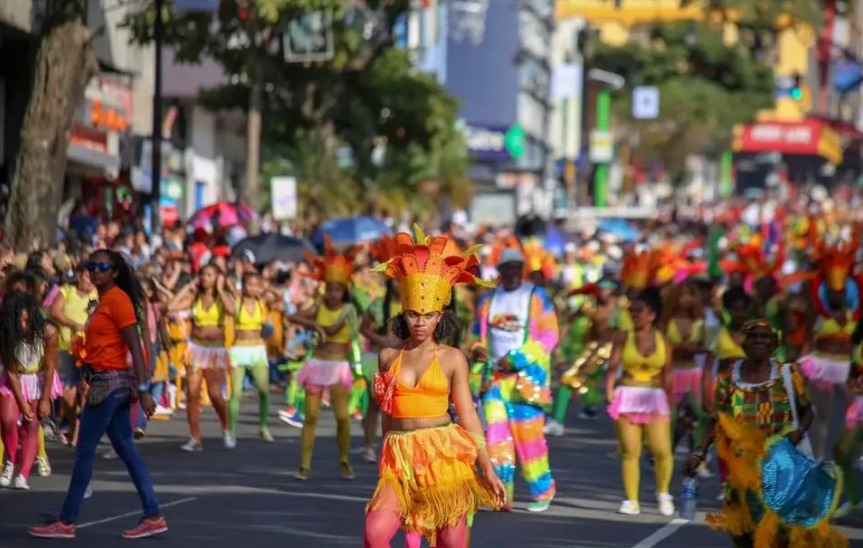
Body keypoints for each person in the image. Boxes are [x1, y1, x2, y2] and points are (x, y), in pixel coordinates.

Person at [364, 227, 505, 547]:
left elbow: (468, 416)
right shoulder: (388, 357)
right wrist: (385, 455)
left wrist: (488, 468)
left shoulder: (453, 358)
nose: (420, 322)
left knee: (451, 543)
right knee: (375, 534)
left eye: (428, 315)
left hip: (443, 456)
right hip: (400, 458)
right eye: (414, 314)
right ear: (405, 313)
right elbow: (386, 413)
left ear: (439, 317)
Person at [29, 249, 166, 539]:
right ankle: (153, 514)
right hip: (109, 383)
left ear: (114, 271)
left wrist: (144, 390)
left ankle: (66, 522)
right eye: (90, 266)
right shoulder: (105, 300)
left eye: (101, 266)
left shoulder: (118, 300)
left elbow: (136, 349)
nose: (94, 271)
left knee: (84, 451)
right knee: (126, 449)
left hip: (111, 385)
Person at [684, 319, 845, 547]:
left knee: (781, 531)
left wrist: (799, 431)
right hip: (743, 468)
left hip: (783, 465)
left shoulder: (787, 374)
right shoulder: (728, 379)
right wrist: (699, 453)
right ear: (743, 343)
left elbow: (807, 410)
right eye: (753, 336)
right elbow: (718, 420)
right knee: (743, 533)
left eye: (765, 337)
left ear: (773, 344)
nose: (759, 341)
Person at [471, 246, 558, 512]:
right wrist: (478, 350)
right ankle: (501, 493)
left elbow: (549, 336)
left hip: (525, 382)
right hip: (494, 380)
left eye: (516, 268)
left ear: (521, 270)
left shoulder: (537, 297)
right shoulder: (487, 301)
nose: (511, 273)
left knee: (528, 439)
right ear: (499, 271)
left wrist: (518, 358)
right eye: (506, 268)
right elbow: (477, 336)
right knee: (495, 438)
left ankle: (543, 491)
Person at [288, 237, 359, 480]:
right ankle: (304, 466)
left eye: (337, 289)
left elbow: (346, 332)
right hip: (317, 364)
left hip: (338, 367)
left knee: (342, 417)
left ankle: (344, 459)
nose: (333, 293)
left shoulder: (350, 311)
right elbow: (294, 318)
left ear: (344, 290)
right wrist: (314, 325)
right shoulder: (319, 306)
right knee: (311, 417)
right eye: (329, 288)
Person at [605, 286, 675, 516]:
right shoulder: (623, 336)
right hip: (627, 394)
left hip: (655, 397)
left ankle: (663, 493)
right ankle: (631, 499)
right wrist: (609, 389)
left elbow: (668, 373)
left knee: (662, 449)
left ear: (652, 314)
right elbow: (613, 365)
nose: (634, 315)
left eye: (639, 311)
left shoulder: (663, 340)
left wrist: (670, 399)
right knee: (630, 450)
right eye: (632, 311)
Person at [167, 264, 235, 451]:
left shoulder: (223, 298)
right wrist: (187, 288)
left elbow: (232, 311)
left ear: (217, 278)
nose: (205, 278)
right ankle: (195, 438)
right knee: (192, 394)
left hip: (215, 352)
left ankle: (227, 428)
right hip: (196, 349)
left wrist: (221, 289)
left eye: (210, 275)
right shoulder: (194, 296)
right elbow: (171, 306)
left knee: (214, 394)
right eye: (203, 274)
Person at [0, 291, 62, 490]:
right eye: (20, 321)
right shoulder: (6, 334)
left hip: (39, 380)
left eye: (27, 321)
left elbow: (50, 368)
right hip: (14, 379)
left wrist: (44, 400)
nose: (24, 326)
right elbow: (10, 370)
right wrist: (22, 401)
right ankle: (10, 462)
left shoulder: (49, 332)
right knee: (8, 419)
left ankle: (23, 474)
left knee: (31, 426)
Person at [49, 263, 98, 447]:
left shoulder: (97, 294)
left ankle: (80, 431)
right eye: (87, 275)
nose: (90, 280)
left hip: (90, 349)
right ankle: (71, 424)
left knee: (86, 389)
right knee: (68, 391)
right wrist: (73, 325)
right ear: (78, 275)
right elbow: (55, 311)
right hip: (67, 347)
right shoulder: (66, 291)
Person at [228, 272, 273, 443]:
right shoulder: (236, 303)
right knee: (236, 393)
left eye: (256, 285)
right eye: (249, 284)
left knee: (264, 391)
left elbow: (278, 296)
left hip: (258, 349)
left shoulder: (262, 303)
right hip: (239, 349)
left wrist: (268, 288)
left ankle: (263, 427)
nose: (253, 288)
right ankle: (231, 431)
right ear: (243, 285)